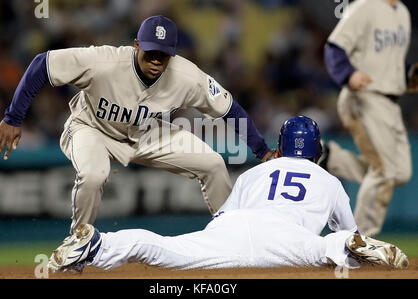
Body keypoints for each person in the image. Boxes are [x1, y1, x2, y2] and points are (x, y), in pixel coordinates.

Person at [0, 16, 274, 234]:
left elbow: (228, 109)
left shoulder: (188, 77)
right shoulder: (102, 61)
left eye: (163, 54)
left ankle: (229, 237)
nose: (156, 60)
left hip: (147, 134)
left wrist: (261, 150)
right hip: (91, 128)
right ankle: (78, 243)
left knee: (212, 164)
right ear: (136, 45)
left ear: (172, 54)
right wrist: (13, 117)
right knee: (93, 176)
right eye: (150, 52)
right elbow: (42, 64)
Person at [47, 116, 408, 273]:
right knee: (334, 246)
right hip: (288, 238)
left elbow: (221, 217)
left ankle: (97, 244)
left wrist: (217, 241)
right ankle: (345, 249)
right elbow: (349, 227)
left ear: (279, 149)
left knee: (162, 247)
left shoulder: (254, 172)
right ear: (316, 153)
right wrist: (351, 242)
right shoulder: (328, 181)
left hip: (234, 227)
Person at [322, 0, 417, 236]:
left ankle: (328, 157)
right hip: (364, 95)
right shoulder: (363, 6)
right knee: (385, 171)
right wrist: (347, 74)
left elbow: (388, 59)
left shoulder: (403, 12)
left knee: (400, 172)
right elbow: (334, 47)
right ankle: (360, 241)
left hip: (390, 101)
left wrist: (407, 73)